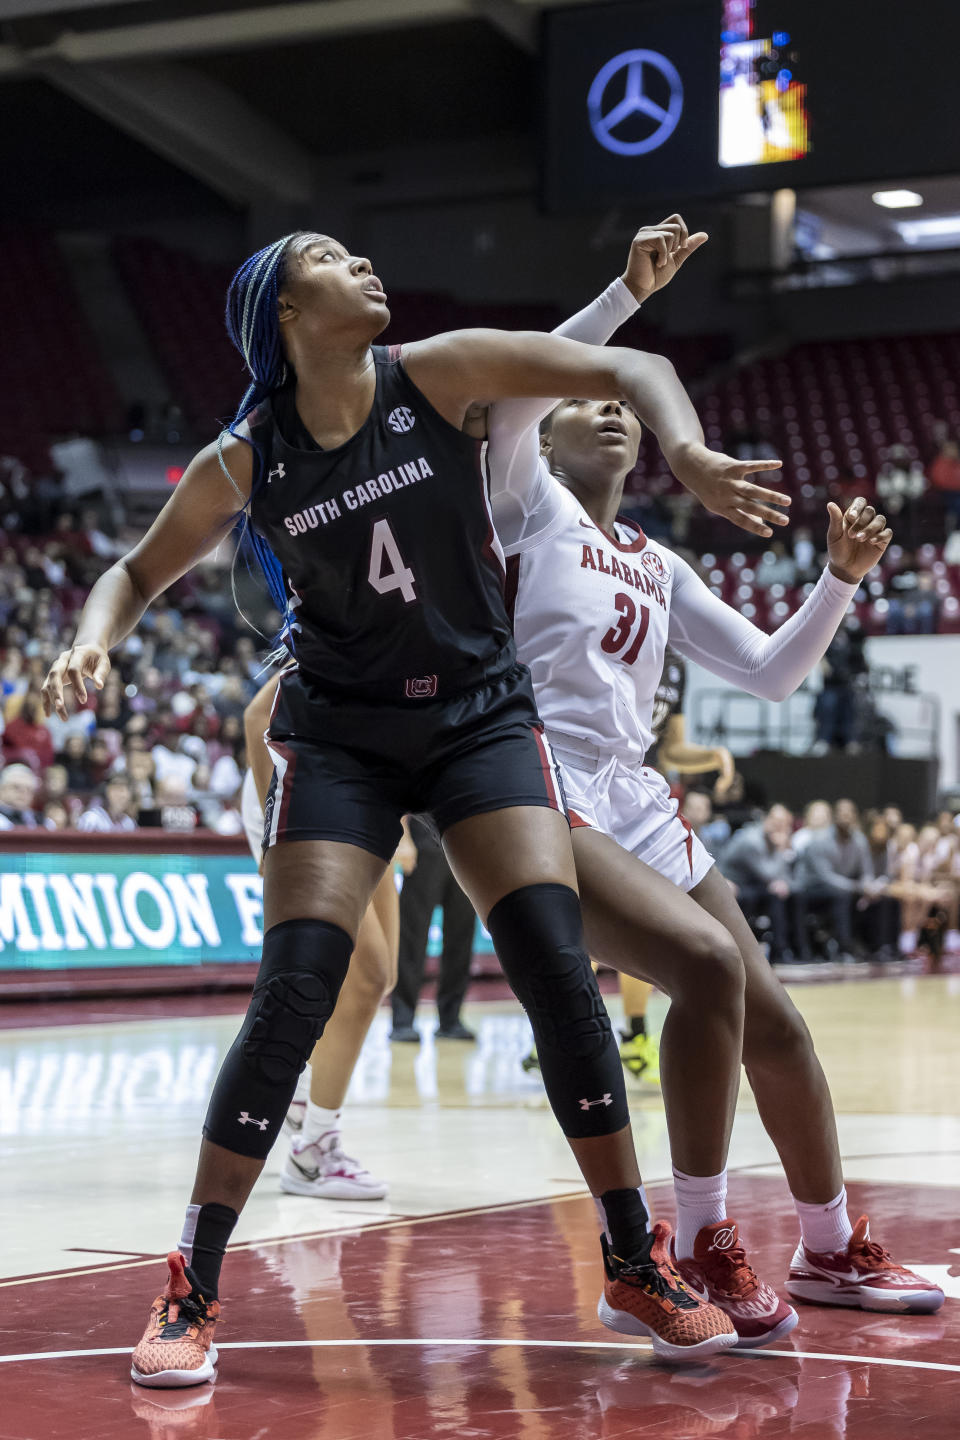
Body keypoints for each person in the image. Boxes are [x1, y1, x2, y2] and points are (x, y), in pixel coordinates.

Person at [43, 223, 788, 1383]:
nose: (366, 266)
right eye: (333, 261)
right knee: (298, 985)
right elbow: (136, 571)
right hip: (342, 734)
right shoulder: (245, 460)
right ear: (285, 316)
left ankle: (636, 1258)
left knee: (549, 955)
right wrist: (94, 640)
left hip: (478, 719)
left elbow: (621, 370)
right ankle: (189, 1284)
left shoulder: (435, 373)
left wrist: (684, 452)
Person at [485, 226, 941, 1342]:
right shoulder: (519, 502)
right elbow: (507, 393)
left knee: (778, 1024)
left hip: (636, 794)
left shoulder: (656, 558)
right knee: (703, 977)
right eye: (586, 398)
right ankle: (697, 1241)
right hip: (538, 784)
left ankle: (830, 1247)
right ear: (549, 424)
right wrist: (619, 303)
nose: (608, 408)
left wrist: (838, 583)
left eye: (624, 407)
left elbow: (773, 675)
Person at [241, 671, 402, 1201]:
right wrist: (273, 826)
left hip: (368, 790)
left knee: (382, 977)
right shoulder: (355, 607)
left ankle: (304, 1097)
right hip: (300, 787)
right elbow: (257, 717)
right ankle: (312, 1150)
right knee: (363, 974)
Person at [390, 814, 478, 1042]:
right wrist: (404, 838)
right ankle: (402, 1020)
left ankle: (450, 1020)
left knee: (461, 936)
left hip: (465, 845)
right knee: (412, 935)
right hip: (424, 843)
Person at [793, 799, 893, 960]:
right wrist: (859, 887)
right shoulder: (819, 840)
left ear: (855, 816)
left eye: (850, 813)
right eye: (842, 813)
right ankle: (844, 948)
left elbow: (866, 872)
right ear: (834, 816)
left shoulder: (860, 840)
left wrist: (868, 887)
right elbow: (826, 878)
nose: (846, 817)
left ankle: (880, 947)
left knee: (882, 898)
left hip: (844, 888)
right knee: (842, 897)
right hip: (811, 888)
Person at [718, 805, 796, 963]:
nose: (780, 826)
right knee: (765, 895)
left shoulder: (771, 839)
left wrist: (784, 883)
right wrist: (781, 849)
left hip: (753, 884)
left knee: (781, 895)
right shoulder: (751, 840)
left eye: (784, 822)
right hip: (731, 884)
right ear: (767, 820)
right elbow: (768, 875)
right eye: (776, 821)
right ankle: (743, 954)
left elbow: (786, 878)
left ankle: (781, 951)